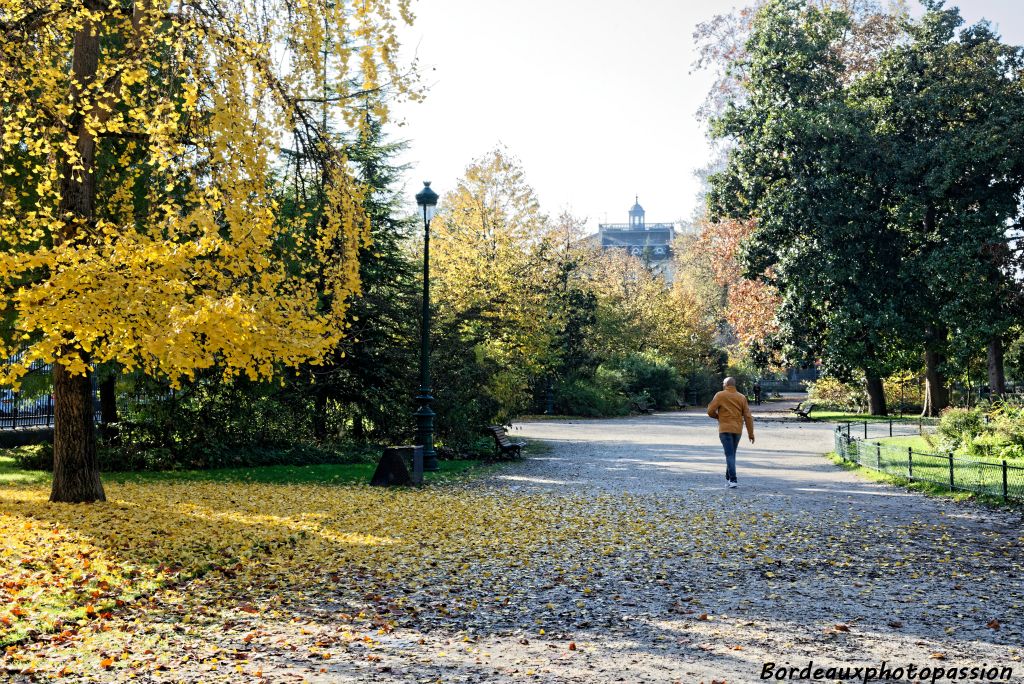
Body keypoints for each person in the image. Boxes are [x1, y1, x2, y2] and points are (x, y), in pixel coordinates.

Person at [707, 377, 755, 488]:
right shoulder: (742, 397)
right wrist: (751, 433)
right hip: (737, 430)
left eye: (723, 383)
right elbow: (748, 416)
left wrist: (719, 417)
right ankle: (728, 478)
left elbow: (710, 411)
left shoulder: (720, 395)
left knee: (729, 454)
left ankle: (733, 480)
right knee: (731, 454)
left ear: (725, 384)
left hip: (725, 429)